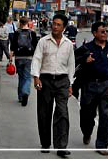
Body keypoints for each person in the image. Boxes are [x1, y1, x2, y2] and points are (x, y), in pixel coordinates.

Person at [31, 13, 75, 157]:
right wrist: (36, 78)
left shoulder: (68, 44)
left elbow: (71, 66)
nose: (55, 26)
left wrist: (70, 84)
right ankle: (45, 143)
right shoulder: (43, 41)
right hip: (46, 80)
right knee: (44, 112)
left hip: (62, 81)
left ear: (64, 27)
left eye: (58, 25)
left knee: (62, 113)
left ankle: (61, 146)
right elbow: (37, 59)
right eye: (54, 24)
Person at [79, 22, 108, 156]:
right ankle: (87, 132)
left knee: (106, 116)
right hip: (89, 85)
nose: (105, 34)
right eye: (102, 31)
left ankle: (102, 145)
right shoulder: (86, 48)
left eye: (106, 31)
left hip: (106, 85)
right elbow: (75, 62)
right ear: (94, 33)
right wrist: (85, 61)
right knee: (87, 115)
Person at [10, 16, 38, 106]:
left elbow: (13, 47)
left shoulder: (17, 33)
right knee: (27, 77)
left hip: (18, 57)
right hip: (29, 57)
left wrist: (10, 58)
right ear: (28, 23)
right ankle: (25, 92)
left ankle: (20, 96)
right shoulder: (32, 33)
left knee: (21, 77)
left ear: (20, 23)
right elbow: (36, 47)